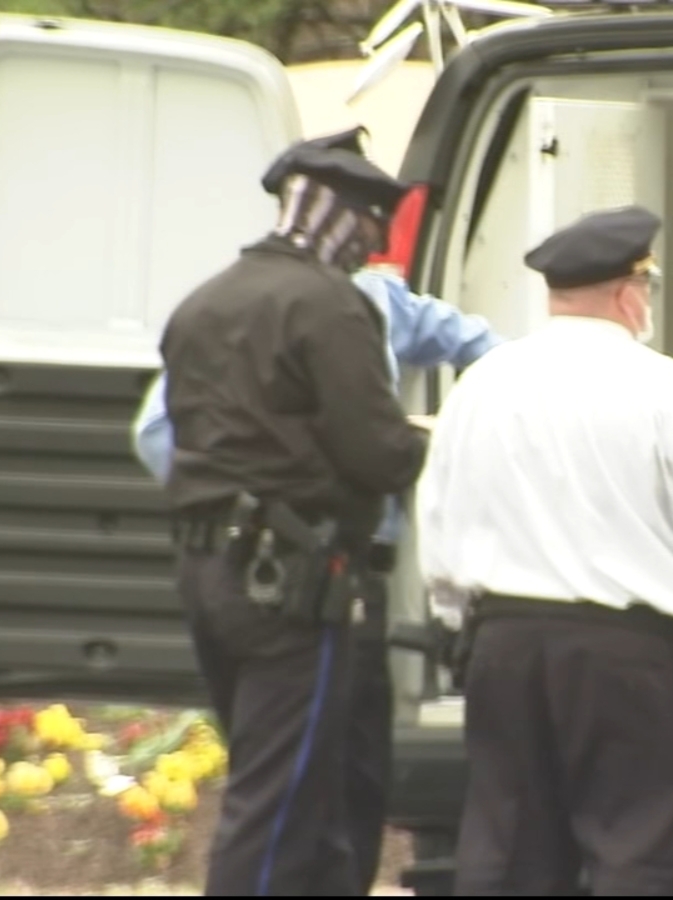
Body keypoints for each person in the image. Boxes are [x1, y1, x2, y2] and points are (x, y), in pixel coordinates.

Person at [413, 204, 673, 896]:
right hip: (627, 659)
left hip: (503, 649)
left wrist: (455, 621)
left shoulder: (481, 386)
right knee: (638, 850)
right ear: (629, 295)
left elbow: (439, 519)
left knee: (508, 853)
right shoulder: (671, 391)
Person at [131, 267, 503, 892]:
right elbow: (156, 433)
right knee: (301, 788)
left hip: (341, 575)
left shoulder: (373, 299)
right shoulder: (321, 306)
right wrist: (279, 490)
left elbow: (483, 346)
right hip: (295, 571)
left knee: (343, 782)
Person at [159, 126, 429, 896]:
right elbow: (376, 453)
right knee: (281, 805)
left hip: (210, 570)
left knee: (289, 786)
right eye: (369, 229)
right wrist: (434, 444)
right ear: (348, 218)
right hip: (292, 583)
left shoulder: (202, 303)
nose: (369, 249)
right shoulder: (329, 306)